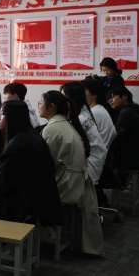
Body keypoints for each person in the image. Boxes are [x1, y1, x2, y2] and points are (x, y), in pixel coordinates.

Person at [39, 90, 104, 256]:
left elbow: (46, 165)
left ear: (51, 107)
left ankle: (31, 240)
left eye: (41, 103)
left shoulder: (52, 129)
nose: (38, 105)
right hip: (75, 182)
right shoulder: (65, 125)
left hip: (66, 185)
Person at [0, 101, 61, 226]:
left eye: (1, 114)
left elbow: (5, 183)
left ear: (12, 118)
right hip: (41, 204)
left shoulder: (16, 145)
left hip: (24, 210)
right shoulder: (32, 137)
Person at [61, 82, 108, 185]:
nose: (61, 100)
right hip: (97, 158)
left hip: (91, 164)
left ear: (72, 98)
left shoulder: (80, 118)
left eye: (64, 97)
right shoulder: (84, 110)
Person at [108, 86, 139, 173]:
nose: (111, 100)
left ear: (124, 97)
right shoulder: (138, 108)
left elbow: (117, 139)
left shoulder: (126, 113)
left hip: (135, 159)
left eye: (113, 97)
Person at [81, 78, 117, 149]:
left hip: (99, 153)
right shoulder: (99, 108)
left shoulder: (94, 112)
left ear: (94, 94)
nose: (80, 94)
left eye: (83, 91)